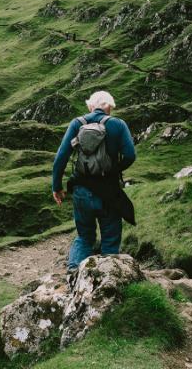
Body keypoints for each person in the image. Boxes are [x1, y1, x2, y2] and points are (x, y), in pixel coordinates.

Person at [51, 91, 136, 271]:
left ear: (91, 106)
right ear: (109, 107)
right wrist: (113, 170)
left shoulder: (77, 123)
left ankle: (74, 273)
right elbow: (130, 155)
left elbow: (61, 157)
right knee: (110, 238)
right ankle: (107, 278)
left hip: (81, 189)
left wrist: (56, 187)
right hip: (109, 192)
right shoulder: (118, 124)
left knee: (84, 237)